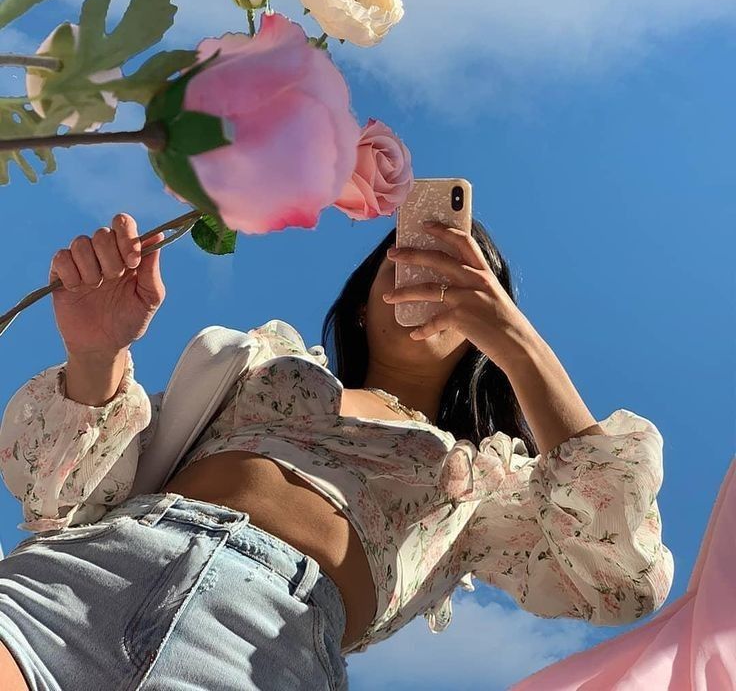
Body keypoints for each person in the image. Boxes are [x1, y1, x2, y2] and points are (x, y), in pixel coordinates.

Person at [0, 211, 674, 690]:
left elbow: (622, 581)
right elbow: (64, 497)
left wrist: (517, 342)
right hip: (87, 578)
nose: (423, 274)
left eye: (459, 274)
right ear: (362, 297)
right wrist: (96, 353)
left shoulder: (487, 486)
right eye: (404, 258)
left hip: (268, 650)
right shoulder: (262, 361)